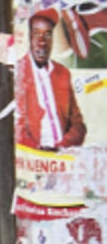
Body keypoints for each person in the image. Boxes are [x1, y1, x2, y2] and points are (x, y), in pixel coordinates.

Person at [17, 8, 87, 150]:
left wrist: (61, 147)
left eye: (47, 34)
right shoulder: (19, 71)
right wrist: (40, 152)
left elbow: (78, 125)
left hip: (62, 153)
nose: (42, 41)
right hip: (34, 157)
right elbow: (16, 129)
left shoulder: (62, 73)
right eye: (36, 33)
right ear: (29, 37)